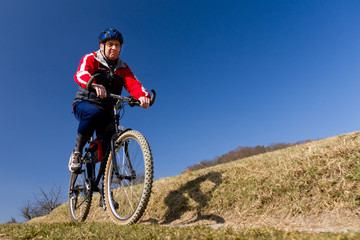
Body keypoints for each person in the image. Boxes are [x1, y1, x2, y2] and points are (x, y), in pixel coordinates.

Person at [69, 28, 150, 172]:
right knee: (92, 113)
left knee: (110, 142)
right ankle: (77, 152)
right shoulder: (91, 58)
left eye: (117, 45)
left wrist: (143, 96)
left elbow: (134, 84)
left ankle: (103, 186)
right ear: (102, 46)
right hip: (85, 103)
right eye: (110, 44)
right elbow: (81, 73)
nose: (114, 48)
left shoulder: (123, 68)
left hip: (107, 110)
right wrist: (93, 84)